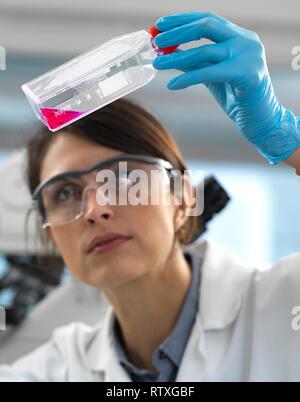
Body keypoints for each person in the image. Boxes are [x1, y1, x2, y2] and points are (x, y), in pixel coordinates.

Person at [1, 12, 300, 382]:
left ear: (183, 197)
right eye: (65, 193)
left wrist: (288, 141)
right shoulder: (52, 372)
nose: (96, 209)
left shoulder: (287, 304)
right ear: (50, 234)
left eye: (124, 179)